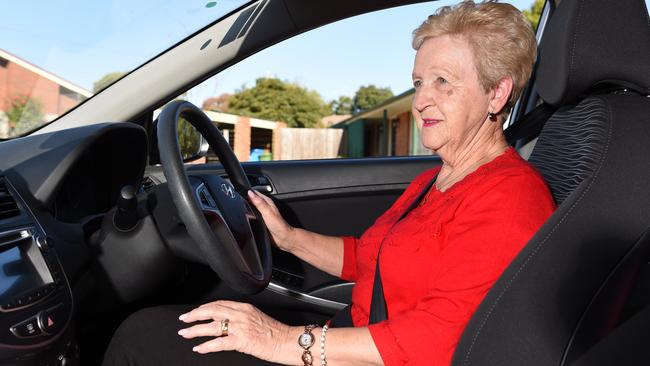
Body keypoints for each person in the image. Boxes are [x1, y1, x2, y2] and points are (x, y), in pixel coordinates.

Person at [103, 1, 554, 365]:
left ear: (496, 93)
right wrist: (289, 237)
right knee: (161, 328)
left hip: (376, 355)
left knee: (142, 337)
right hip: (349, 336)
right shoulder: (434, 180)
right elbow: (367, 258)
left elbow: (441, 341)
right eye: (418, 82)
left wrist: (283, 341)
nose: (420, 101)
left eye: (443, 82)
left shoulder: (511, 199)